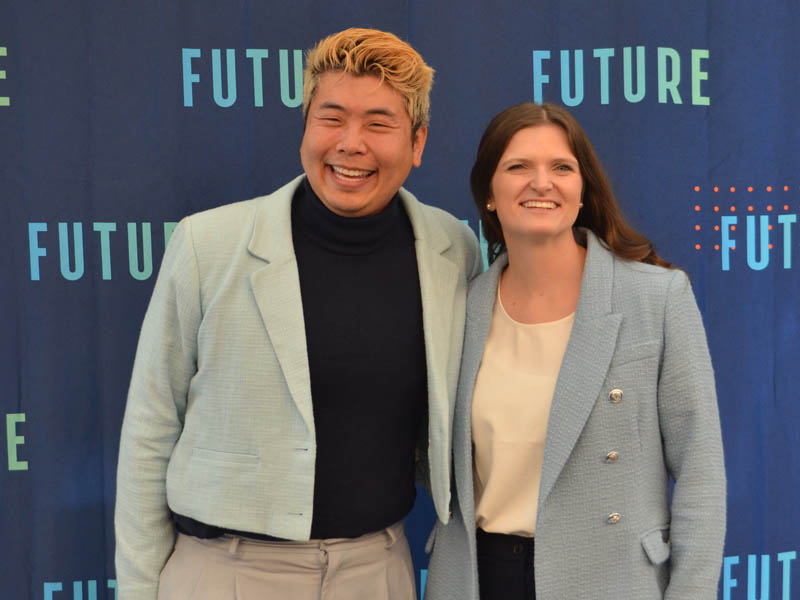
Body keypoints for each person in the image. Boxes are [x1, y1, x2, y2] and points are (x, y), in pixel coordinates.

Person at [114, 28, 482, 600]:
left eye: (379, 124)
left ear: (417, 143)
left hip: (376, 571)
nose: (350, 143)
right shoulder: (207, 245)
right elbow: (150, 427)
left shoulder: (452, 249)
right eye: (331, 117)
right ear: (306, 127)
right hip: (224, 573)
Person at [424, 103, 726, 600]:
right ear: (489, 195)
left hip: (609, 576)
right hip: (478, 577)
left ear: (582, 190)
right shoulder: (461, 306)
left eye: (561, 167)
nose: (541, 183)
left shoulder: (657, 297)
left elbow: (700, 471)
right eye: (518, 166)